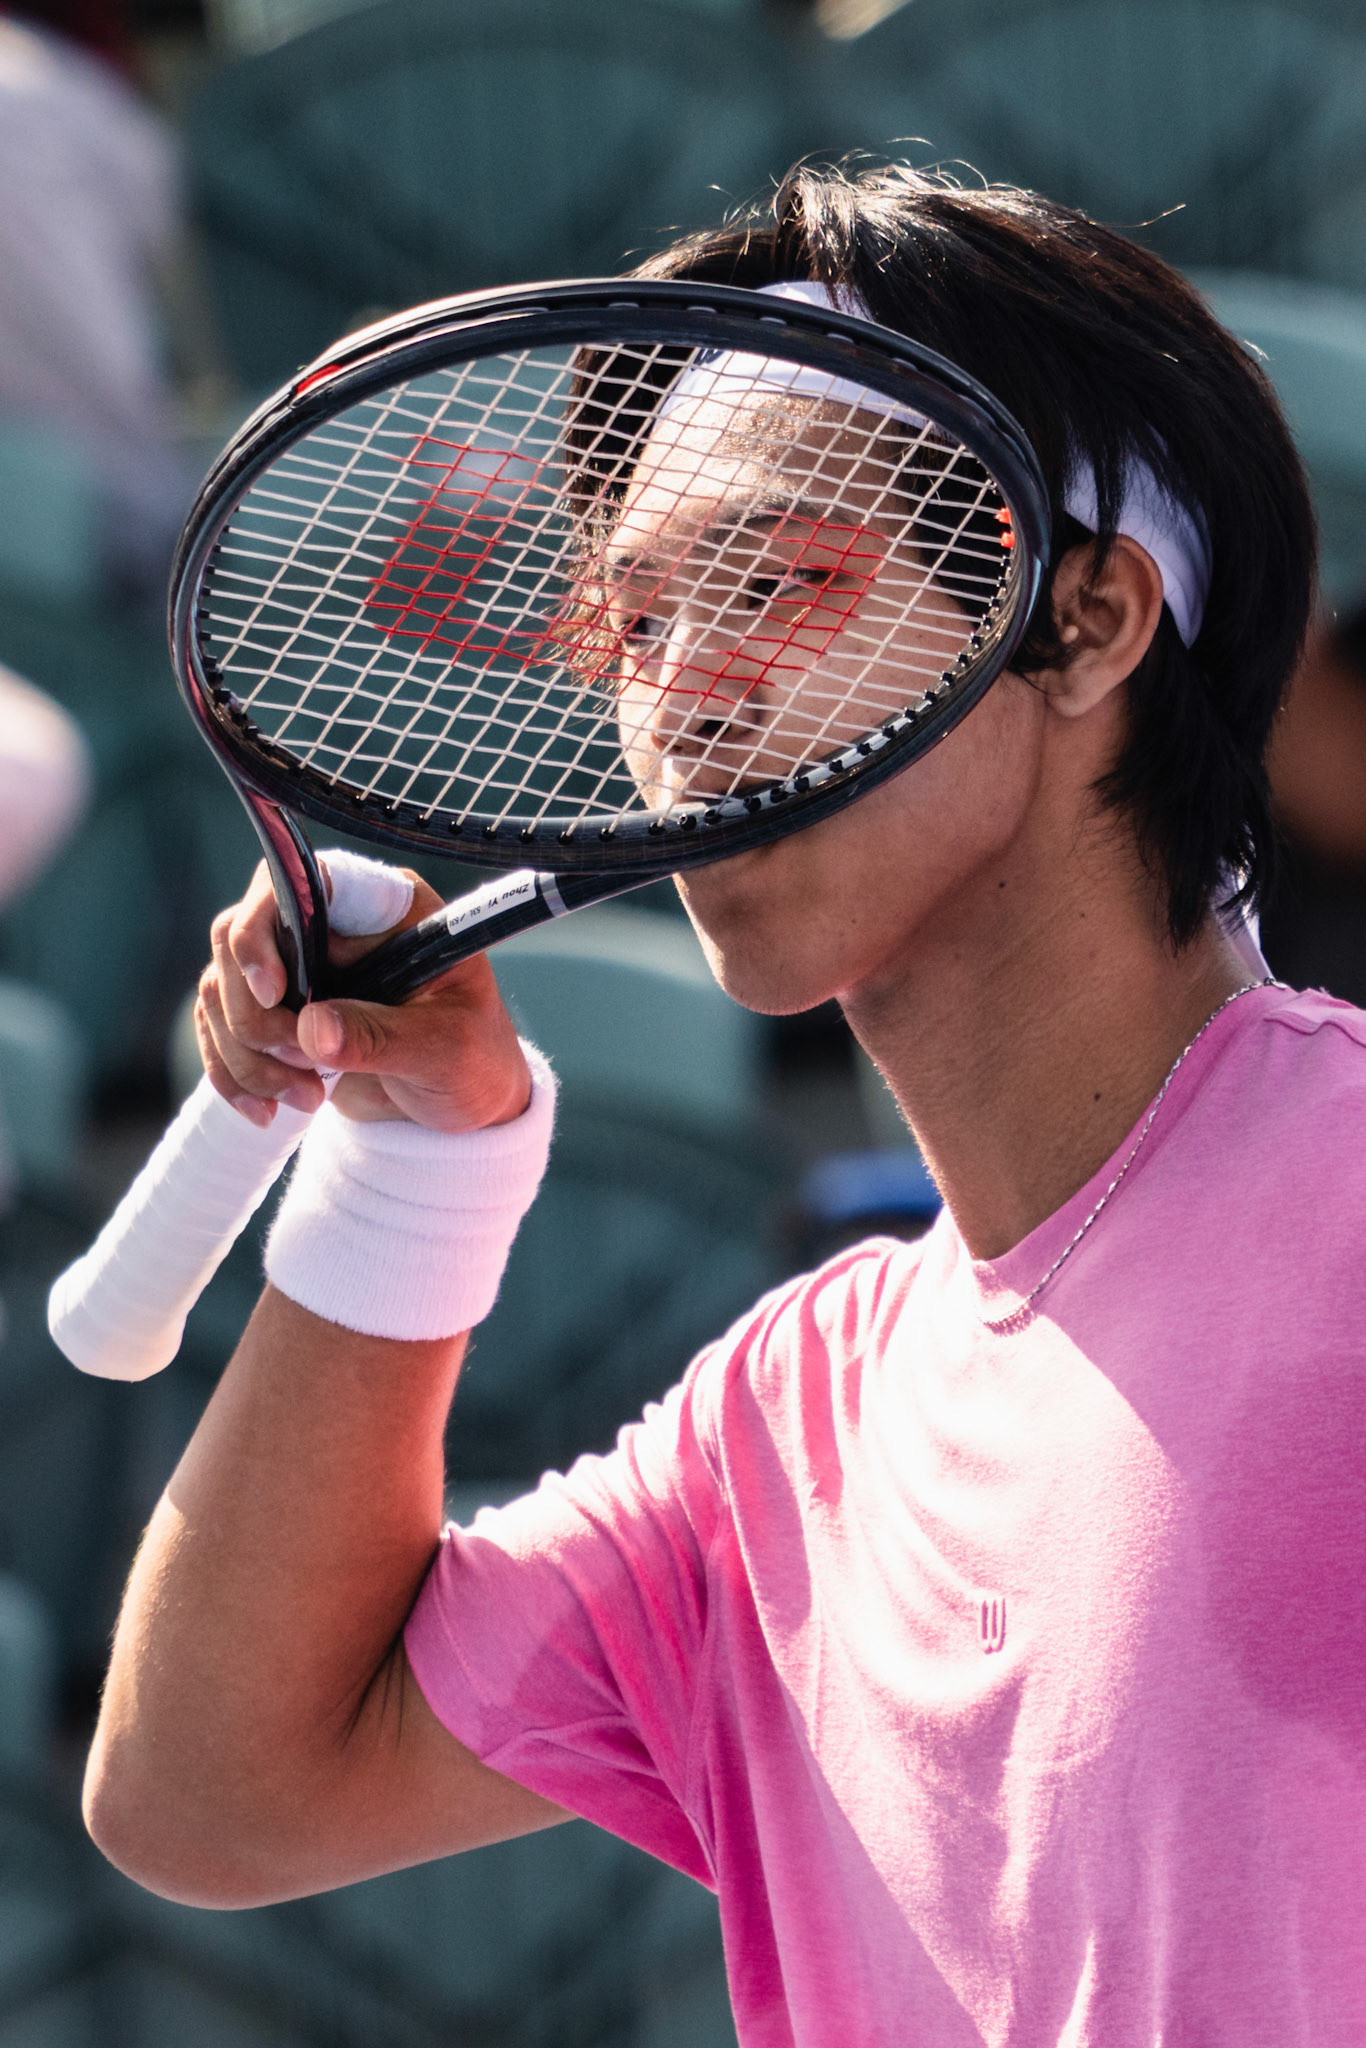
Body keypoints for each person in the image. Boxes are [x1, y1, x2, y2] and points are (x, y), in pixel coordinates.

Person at [82, 165, 1364, 2047]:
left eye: (776, 579)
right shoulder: (781, 1422)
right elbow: (209, 1793)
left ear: (1084, 623)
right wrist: (416, 1174)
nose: (679, 689)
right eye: (633, 621)